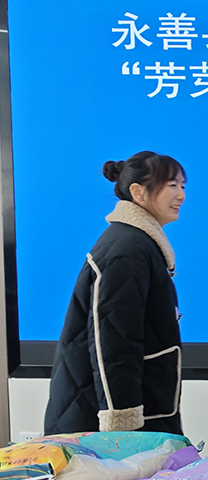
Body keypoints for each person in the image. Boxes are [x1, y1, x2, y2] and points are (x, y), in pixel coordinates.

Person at [45, 151, 186, 435]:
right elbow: (114, 342)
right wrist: (122, 423)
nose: (181, 195)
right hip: (107, 429)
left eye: (182, 186)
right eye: (171, 185)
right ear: (138, 192)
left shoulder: (138, 242)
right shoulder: (127, 251)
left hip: (136, 413)